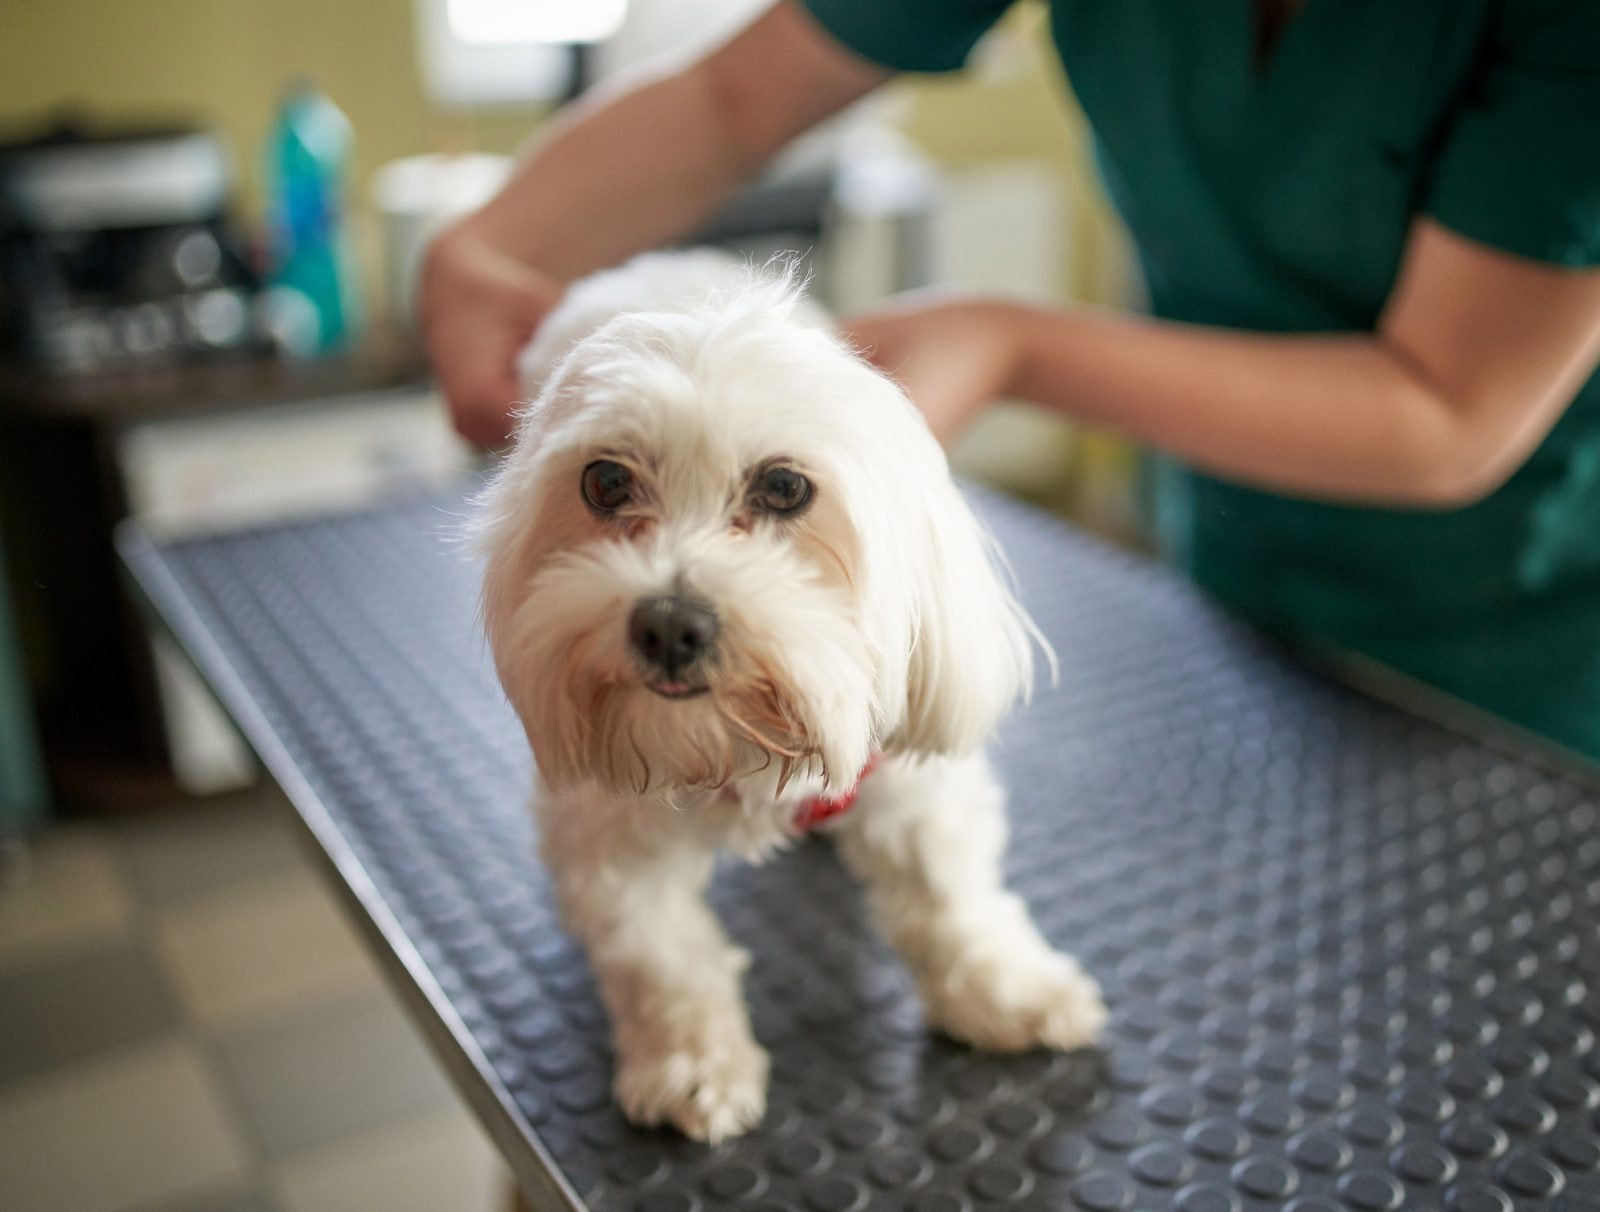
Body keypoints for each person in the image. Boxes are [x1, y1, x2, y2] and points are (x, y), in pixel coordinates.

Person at [421, 0, 1600, 762]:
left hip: (1537, 641)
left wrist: (1009, 342)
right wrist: (481, 248)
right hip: (1240, 564)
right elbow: (736, 97)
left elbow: (1452, 411)